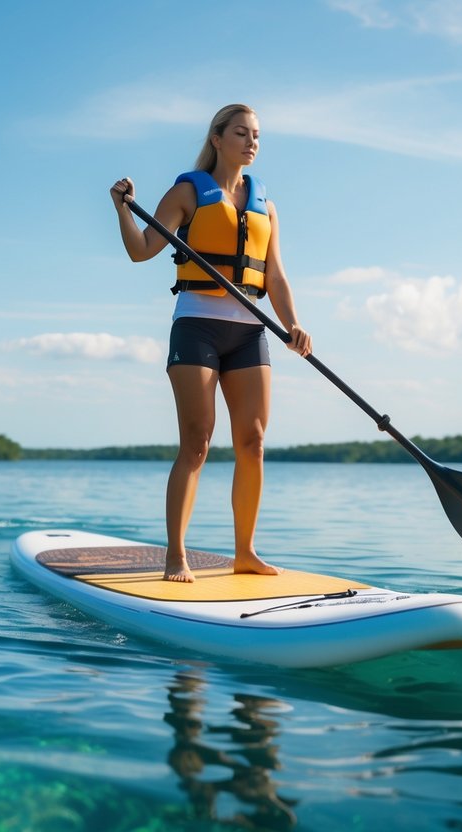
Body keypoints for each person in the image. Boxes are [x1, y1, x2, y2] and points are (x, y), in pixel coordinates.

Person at [110, 103, 312, 583]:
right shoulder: (186, 192)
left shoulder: (267, 204)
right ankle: (175, 556)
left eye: (257, 135)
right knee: (197, 443)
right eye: (241, 133)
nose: (251, 141)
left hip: (249, 330)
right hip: (197, 325)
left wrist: (294, 326)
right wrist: (122, 210)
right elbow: (141, 251)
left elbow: (276, 276)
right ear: (218, 139)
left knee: (253, 442)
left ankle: (245, 551)